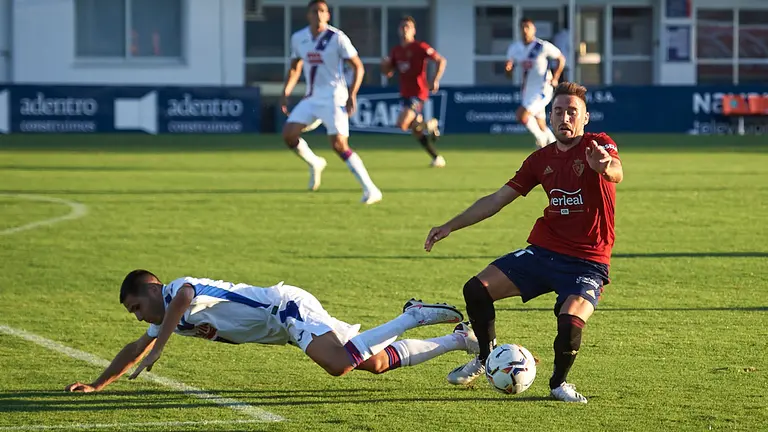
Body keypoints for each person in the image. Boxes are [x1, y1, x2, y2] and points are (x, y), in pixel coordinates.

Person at [424, 82, 623, 403]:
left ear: (585, 117)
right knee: (476, 289)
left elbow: (616, 170)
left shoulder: (598, 144)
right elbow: (498, 199)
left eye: (573, 112)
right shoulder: (540, 159)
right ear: (550, 116)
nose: (565, 118)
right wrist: (450, 226)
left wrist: (605, 168)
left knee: (571, 319)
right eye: (558, 111)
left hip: (589, 260)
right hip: (545, 252)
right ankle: (486, 358)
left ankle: (558, 384)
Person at [64, 270, 478, 392]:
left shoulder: (177, 291)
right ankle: (460, 339)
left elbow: (185, 297)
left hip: (285, 307)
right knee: (373, 363)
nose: (139, 317)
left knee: (338, 365)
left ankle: (414, 315)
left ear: (151, 288)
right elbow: (135, 346)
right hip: (284, 328)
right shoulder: (164, 316)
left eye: (137, 307)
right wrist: (99, 385)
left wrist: (161, 346)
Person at [280, 0, 382, 205]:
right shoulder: (299, 38)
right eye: (314, 11)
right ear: (308, 15)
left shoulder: (337, 38)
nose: (318, 14)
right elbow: (294, 67)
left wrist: (352, 93)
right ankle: (315, 163)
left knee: (338, 145)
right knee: (289, 135)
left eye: (322, 11)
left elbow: (358, 67)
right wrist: (286, 91)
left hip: (335, 97)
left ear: (328, 15)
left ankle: (371, 189)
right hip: (312, 97)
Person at [381, 16, 447, 168]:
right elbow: (387, 73)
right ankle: (436, 156)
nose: (405, 29)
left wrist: (435, 79)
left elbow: (441, 60)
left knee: (402, 124)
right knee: (416, 130)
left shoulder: (420, 47)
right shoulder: (396, 51)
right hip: (404, 93)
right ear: (398, 30)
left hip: (418, 93)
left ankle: (429, 126)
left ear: (413, 31)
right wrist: (384, 65)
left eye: (408, 27)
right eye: (402, 27)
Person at [505, 18, 566, 149]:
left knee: (521, 115)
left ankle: (541, 140)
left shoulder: (542, 46)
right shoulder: (515, 48)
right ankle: (556, 148)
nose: (525, 30)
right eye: (522, 27)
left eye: (528, 27)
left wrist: (555, 78)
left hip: (543, 89)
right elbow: (509, 70)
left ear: (534, 29)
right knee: (541, 124)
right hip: (527, 90)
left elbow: (561, 58)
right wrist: (508, 69)